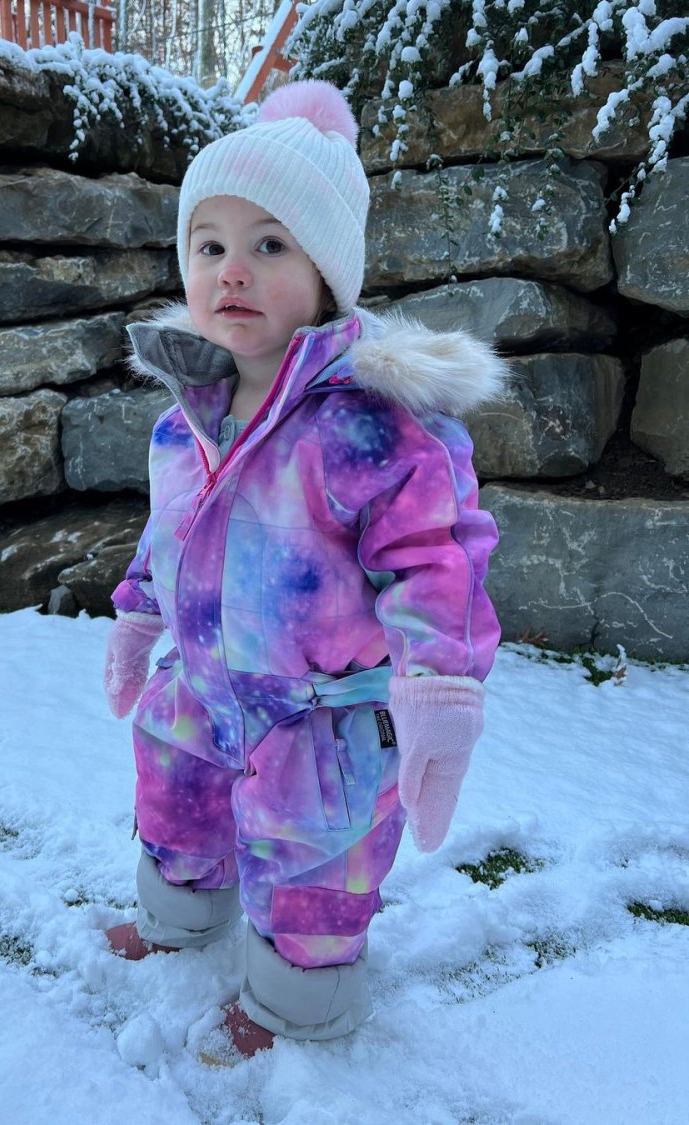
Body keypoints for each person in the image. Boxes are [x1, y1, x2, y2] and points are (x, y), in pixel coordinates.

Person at [103, 79, 507, 1056]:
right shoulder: (184, 416)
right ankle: (179, 918)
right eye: (210, 246)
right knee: (174, 796)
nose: (233, 269)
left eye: (271, 245)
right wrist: (139, 615)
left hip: (317, 720)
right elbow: (169, 533)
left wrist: (440, 690)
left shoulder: (368, 426)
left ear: (327, 276)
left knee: (315, 862)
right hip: (201, 684)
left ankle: (294, 1003)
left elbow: (437, 557)